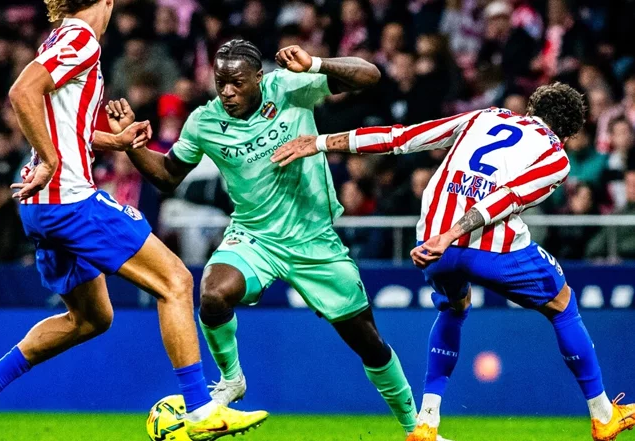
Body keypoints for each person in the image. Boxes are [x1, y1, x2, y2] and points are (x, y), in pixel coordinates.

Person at [0, 2, 267, 441]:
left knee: (91, 318)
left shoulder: (60, 38)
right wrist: (50, 160)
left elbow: (64, 122)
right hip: (69, 200)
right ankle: (200, 411)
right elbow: (22, 92)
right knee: (175, 281)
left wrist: (114, 141)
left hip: (42, 205)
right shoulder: (81, 38)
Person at [115, 38, 442, 439]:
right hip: (254, 237)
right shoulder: (204, 121)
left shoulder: (290, 86)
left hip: (314, 240)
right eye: (220, 82)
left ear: (259, 77)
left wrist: (317, 63)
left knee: (369, 344)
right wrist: (131, 146)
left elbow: (370, 76)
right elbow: (168, 175)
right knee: (213, 294)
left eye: (237, 82)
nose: (227, 91)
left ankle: (416, 428)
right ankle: (231, 380)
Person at [272, 82, 635, 441]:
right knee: (563, 304)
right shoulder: (556, 157)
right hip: (485, 248)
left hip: (431, 242)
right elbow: (507, 198)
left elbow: (403, 138)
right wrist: (451, 235)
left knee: (454, 308)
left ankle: (427, 421)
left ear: (530, 110)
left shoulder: (485, 116)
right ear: (569, 133)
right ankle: (603, 415)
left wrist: (320, 142)